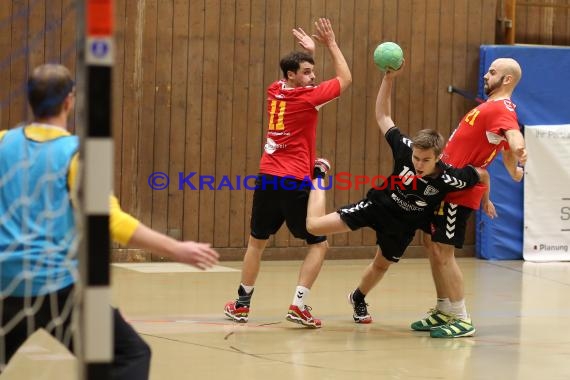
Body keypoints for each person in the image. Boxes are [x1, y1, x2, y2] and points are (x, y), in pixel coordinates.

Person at [0, 64, 220, 378]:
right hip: (56, 288)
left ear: (30, 101)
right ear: (69, 101)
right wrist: (177, 249)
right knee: (130, 355)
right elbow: (111, 222)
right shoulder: (79, 155)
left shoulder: (3, 142)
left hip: (6, 284)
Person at [305, 64, 489, 326]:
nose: (418, 164)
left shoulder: (450, 178)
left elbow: (482, 174)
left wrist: (486, 199)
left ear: (438, 158)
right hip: (375, 207)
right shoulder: (404, 150)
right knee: (313, 225)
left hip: (402, 228)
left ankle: (358, 297)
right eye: (416, 157)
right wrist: (388, 79)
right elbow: (382, 115)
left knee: (381, 265)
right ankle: (318, 177)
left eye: (426, 160)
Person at [223, 18, 352, 328]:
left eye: (313, 72)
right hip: (293, 181)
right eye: (306, 73)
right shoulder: (308, 98)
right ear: (292, 75)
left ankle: (241, 304)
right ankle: (298, 304)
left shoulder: (275, 90)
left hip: (267, 176)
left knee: (256, 243)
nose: (312, 77)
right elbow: (345, 78)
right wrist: (330, 44)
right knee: (318, 244)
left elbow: (299, 77)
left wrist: (307, 54)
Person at [411, 57, 527, 338]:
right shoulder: (488, 109)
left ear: (507, 80)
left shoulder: (502, 108)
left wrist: (519, 147)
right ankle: (443, 310)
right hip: (444, 187)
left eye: (493, 72)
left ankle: (462, 318)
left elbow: (512, 135)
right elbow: (506, 151)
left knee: (445, 251)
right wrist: (515, 169)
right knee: (432, 245)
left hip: (460, 192)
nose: (486, 76)